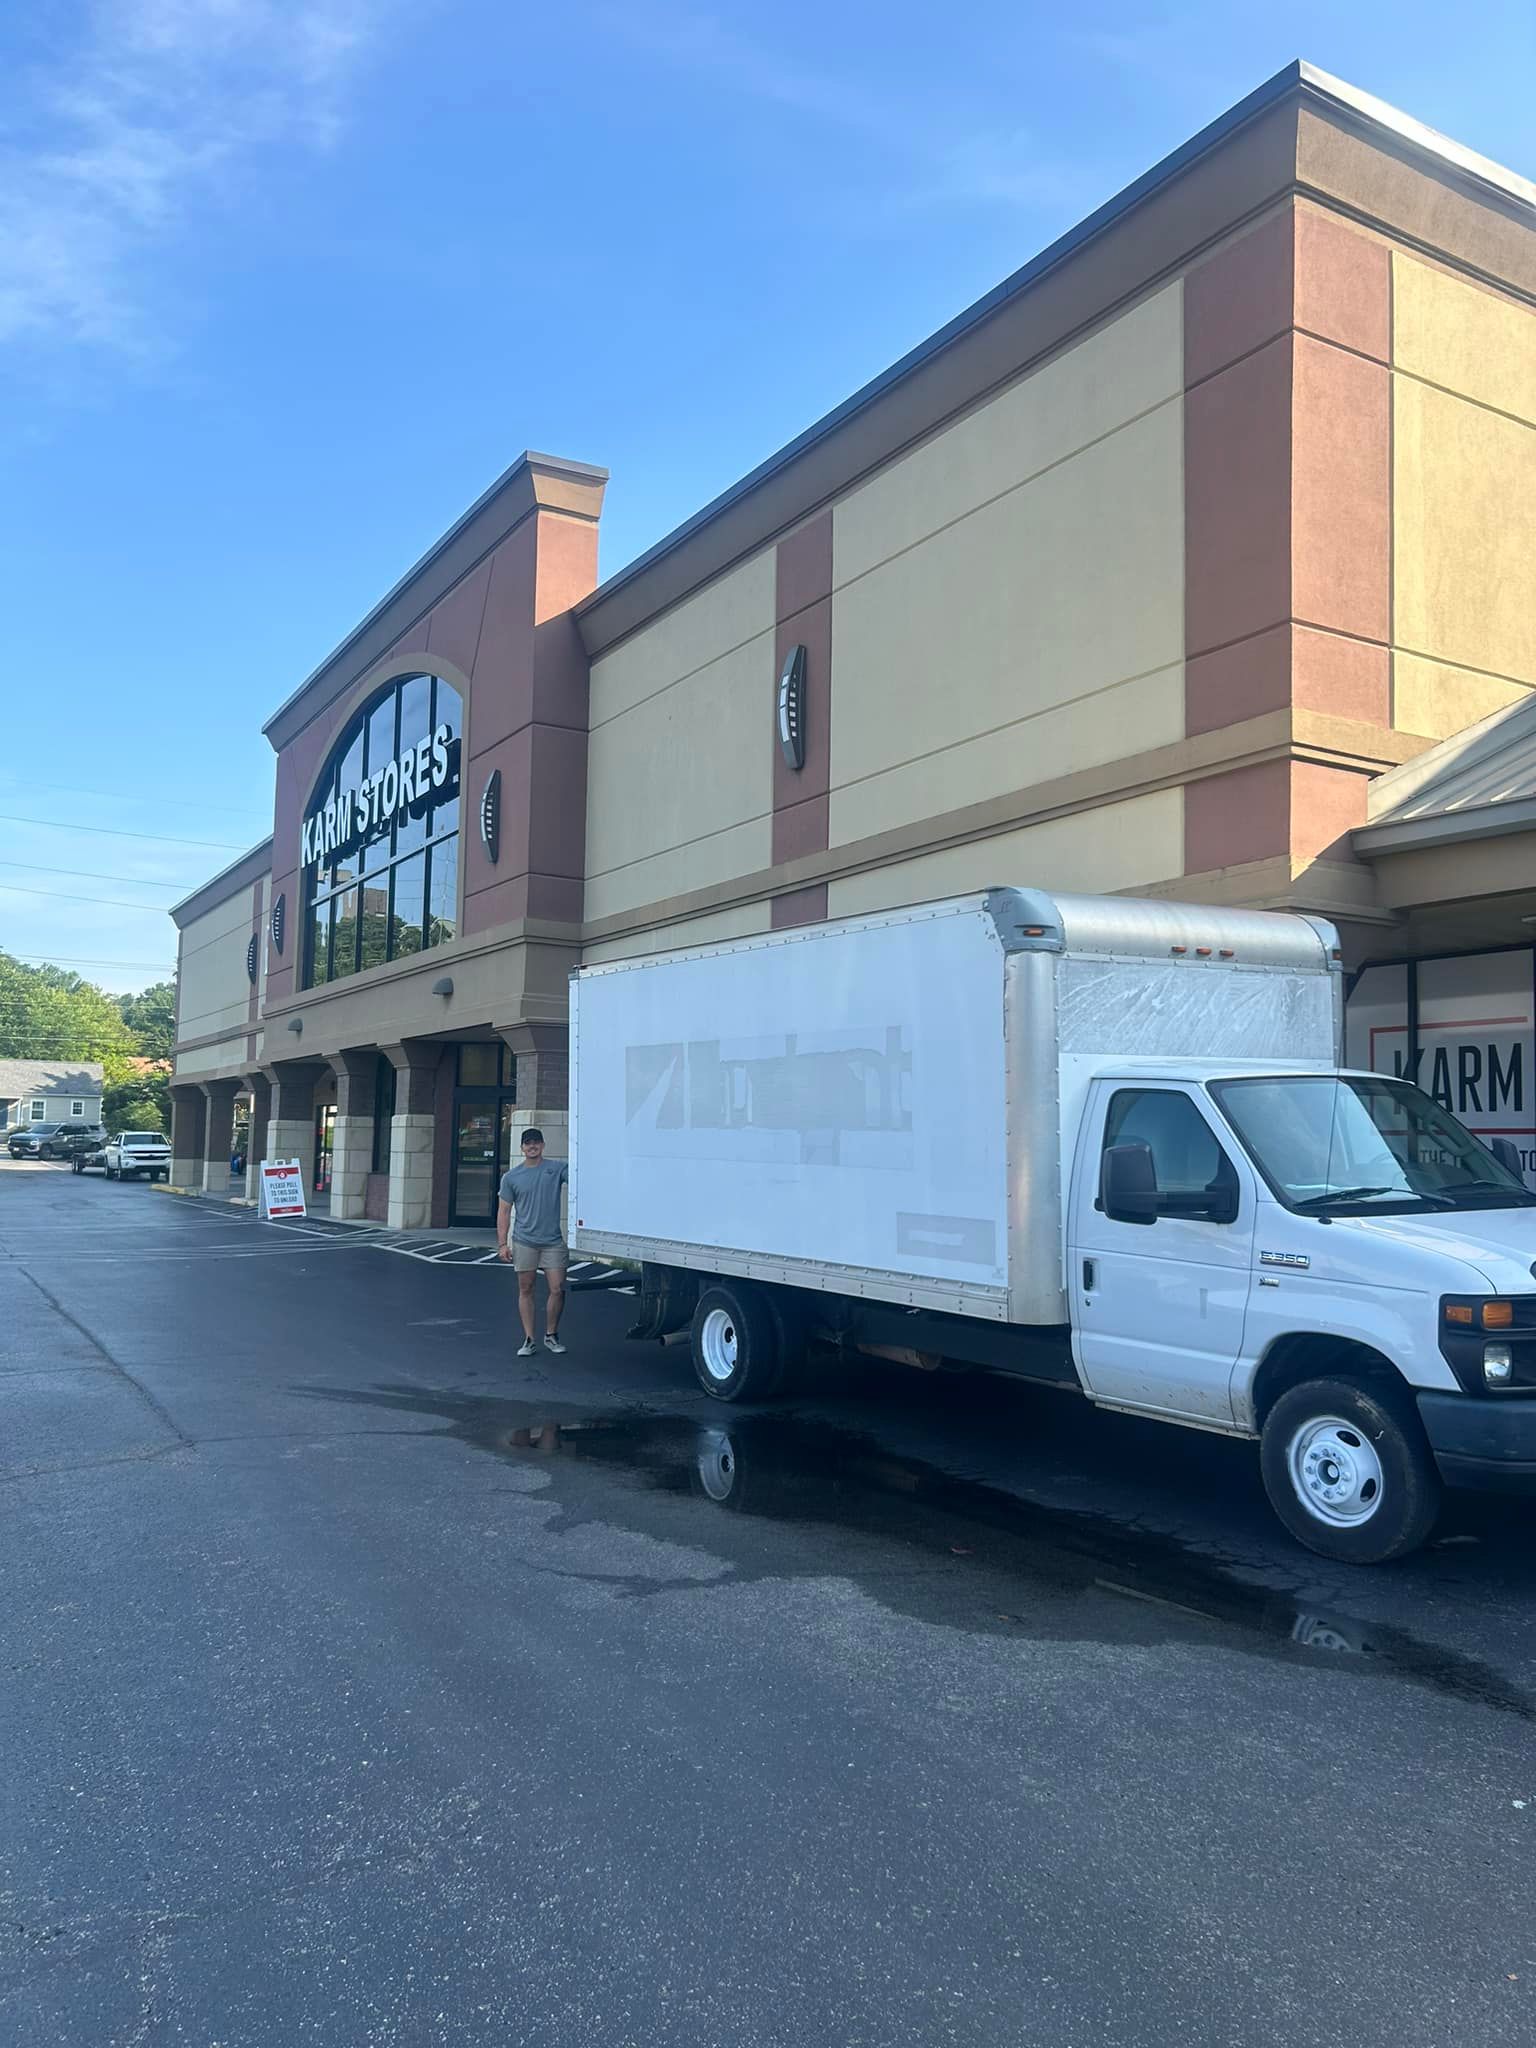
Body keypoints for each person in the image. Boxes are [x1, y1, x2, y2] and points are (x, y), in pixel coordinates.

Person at [497, 1128, 569, 1357]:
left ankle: (551, 1335)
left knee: (557, 1289)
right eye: (528, 1143)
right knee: (526, 1288)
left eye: (536, 1142)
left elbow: (581, 1175)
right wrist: (502, 1243)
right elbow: (504, 1211)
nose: (532, 1146)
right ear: (522, 1148)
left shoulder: (556, 1169)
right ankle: (529, 1339)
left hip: (553, 1241)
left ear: (543, 1145)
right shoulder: (511, 1177)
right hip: (524, 1240)